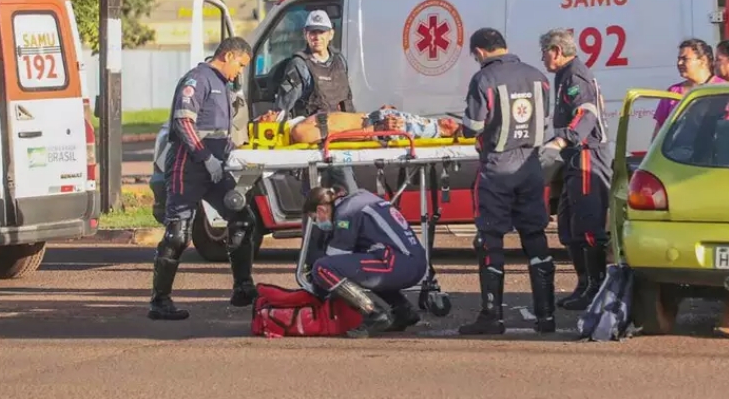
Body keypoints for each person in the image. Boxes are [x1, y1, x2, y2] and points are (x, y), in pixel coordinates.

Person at [149, 37, 257, 321]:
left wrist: (233, 152)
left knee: (242, 218)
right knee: (177, 234)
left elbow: (219, 129)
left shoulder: (223, 84)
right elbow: (184, 122)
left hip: (216, 167)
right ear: (229, 55)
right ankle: (160, 301)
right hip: (189, 166)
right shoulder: (198, 79)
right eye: (240, 65)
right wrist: (204, 157)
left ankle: (243, 288)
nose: (240, 72)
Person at [458, 27, 556, 335]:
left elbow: (473, 126)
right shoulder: (538, 76)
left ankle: (492, 316)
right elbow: (544, 120)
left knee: (490, 239)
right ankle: (547, 316)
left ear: (480, 52)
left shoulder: (484, 79)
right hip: (530, 166)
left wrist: (464, 128)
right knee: (536, 237)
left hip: (498, 169)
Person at [538, 28, 613, 311]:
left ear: (556, 51)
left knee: (589, 225)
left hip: (586, 157)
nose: (543, 59)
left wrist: (562, 140)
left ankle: (597, 286)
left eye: (544, 52)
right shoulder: (563, 75)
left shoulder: (574, 75)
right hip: (572, 158)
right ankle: (584, 283)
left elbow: (586, 113)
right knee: (569, 226)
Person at [302, 186, 428, 338]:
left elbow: (333, 259)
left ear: (321, 210)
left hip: (397, 263)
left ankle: (373, 314)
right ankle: (403, 310)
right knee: (361, 262)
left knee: (322, 269)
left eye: (315, 218)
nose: (317, 223)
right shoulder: (360, 198)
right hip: (414, 262)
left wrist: (318, 287)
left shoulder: (345, 213)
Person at [271, 9, 358, 192]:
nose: (317, 37)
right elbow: (284, 105)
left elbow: (347, 98)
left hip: (340, 137)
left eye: (321, 32)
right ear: (306, 35)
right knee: (315, 199)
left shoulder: (340, 61)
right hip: (313, 139)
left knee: (349, 192)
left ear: (330, 34)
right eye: (312, 32)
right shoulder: (300, 64)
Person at [257, 107, 462, 145]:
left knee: (441, 124)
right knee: (445, 128)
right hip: (380, 126)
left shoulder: (300, 123)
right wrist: (377, 130)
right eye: (261, 119)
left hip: (376, 118)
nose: (265, 113)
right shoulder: (300, 131)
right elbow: (338, 136)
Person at [652, 39, 726, 137]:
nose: (679, 63)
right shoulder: (673, 92)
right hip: (678, 151)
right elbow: (660, 129)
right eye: (678, 59)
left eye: (685, 59)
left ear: (703, 61)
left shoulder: (723, 89)